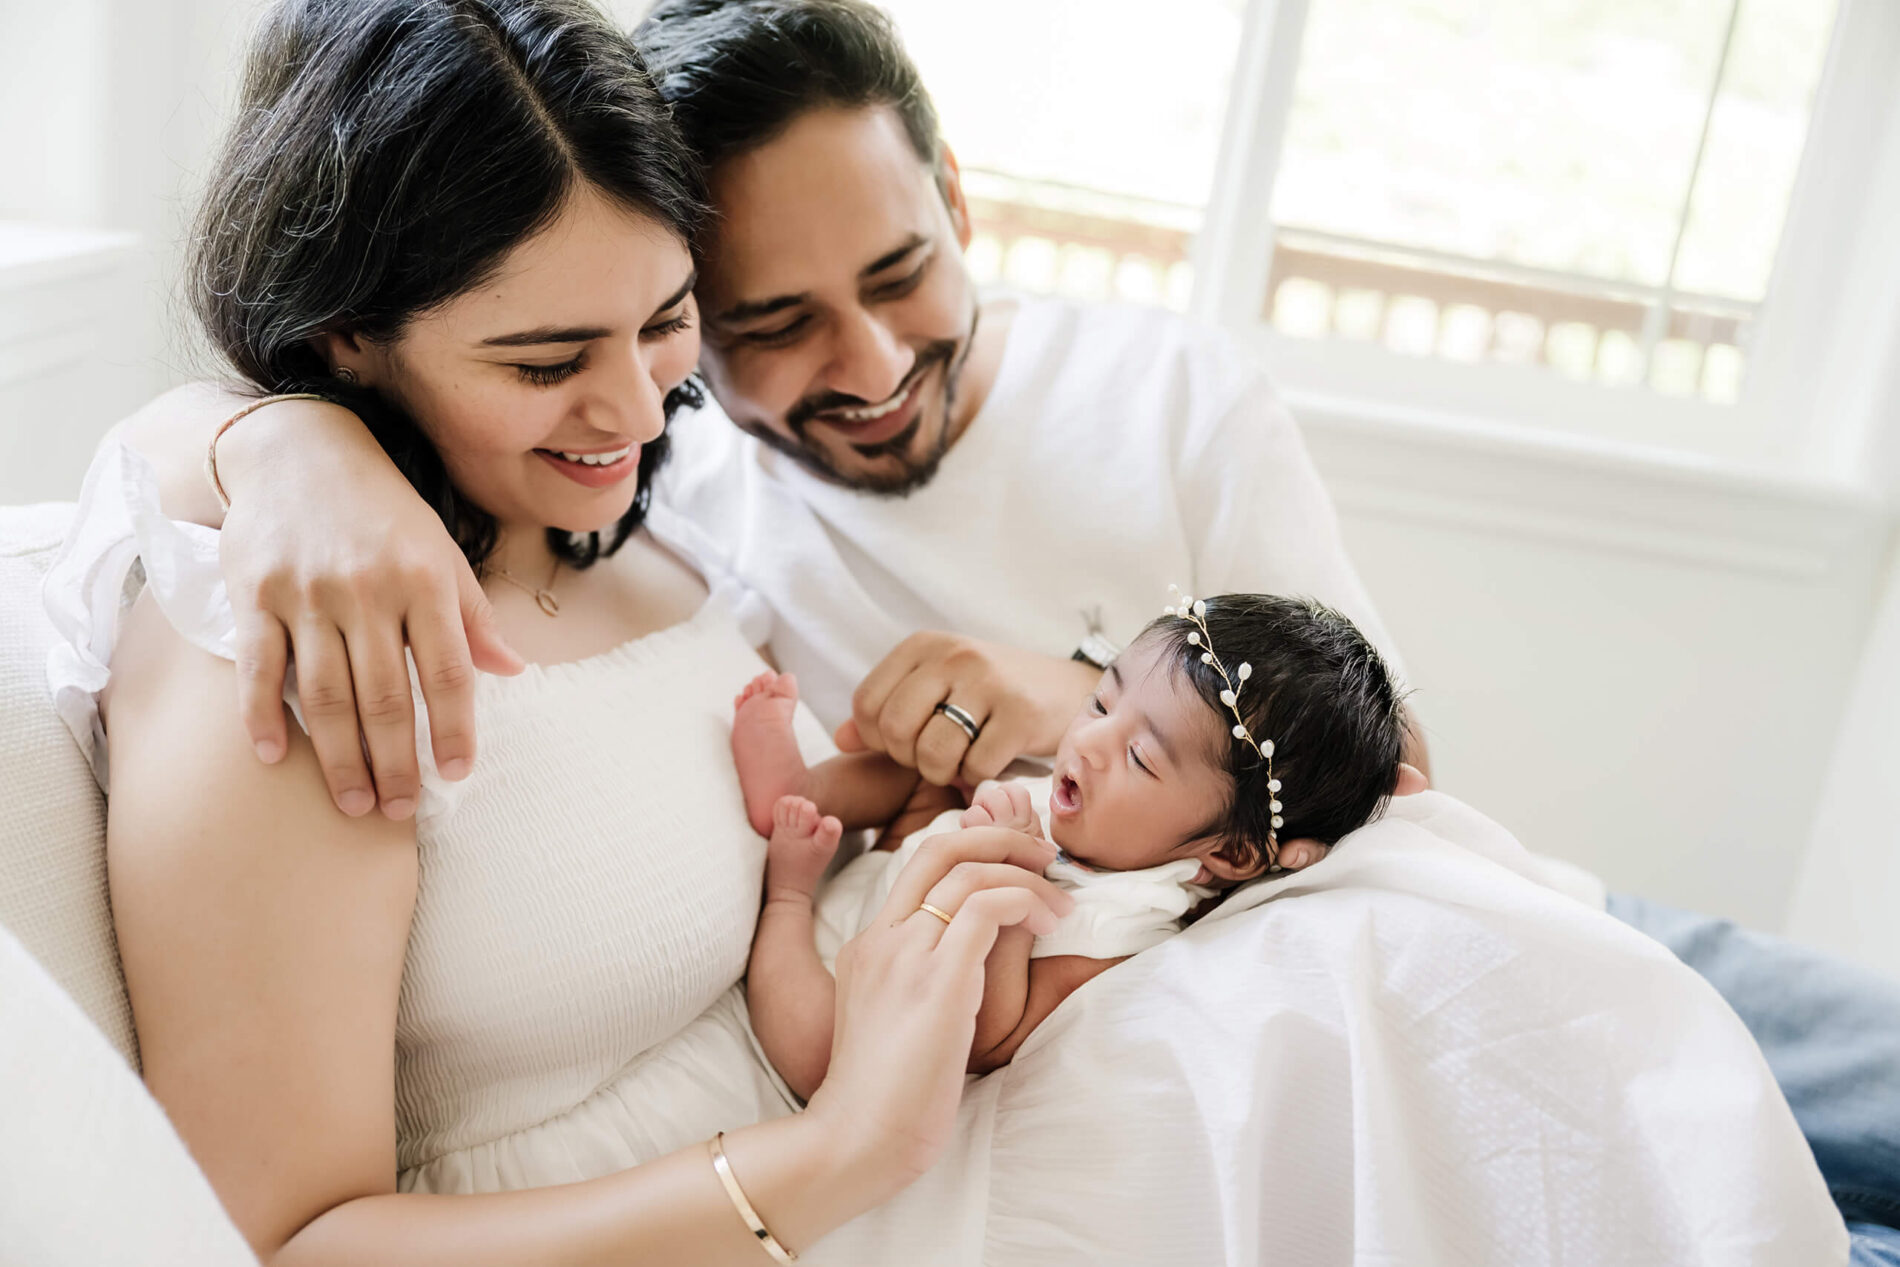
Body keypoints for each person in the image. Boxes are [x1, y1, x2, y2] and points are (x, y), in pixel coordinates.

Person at [102, 0, 1900, 1257]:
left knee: (1704, 1090)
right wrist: (279, 443)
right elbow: (179, 463)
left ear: (959, 203)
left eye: (658, 332)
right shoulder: (643, 498)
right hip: (1083, 1071)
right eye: (765, 325)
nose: (868, 361)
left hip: (1428, 894)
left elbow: (1394, 767)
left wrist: (1065, 704)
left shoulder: (1151, 395)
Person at [43, 3, 1072, 1262]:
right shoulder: (302, 650)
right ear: (346, 334)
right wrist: (841, 1153)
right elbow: (285, 1240)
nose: (638, 411)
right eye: (545, 363)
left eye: (667, 320)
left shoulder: (624, 521)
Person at [737, 592, 1425, 1093]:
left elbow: (990, 1040)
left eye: (1140, 757)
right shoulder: (1098, 804)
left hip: (855, 1002)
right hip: (898, 872)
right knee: (931, 774)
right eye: (1101, 700)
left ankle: (788, 897)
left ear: (1232, 854)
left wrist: (1011, 896)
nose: (1089, 741)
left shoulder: (1119, 928)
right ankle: (806, 789)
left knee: (816, 1052)